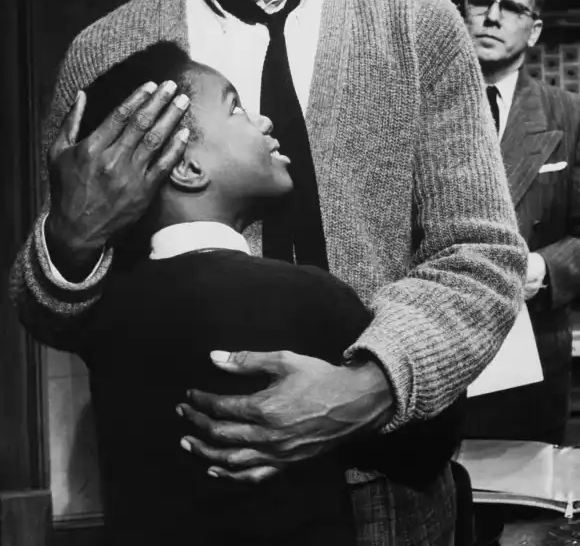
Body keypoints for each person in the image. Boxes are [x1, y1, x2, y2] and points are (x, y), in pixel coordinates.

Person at [10, 0, 526, 546]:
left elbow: (483, 259)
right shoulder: (110, 51)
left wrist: (367, 386)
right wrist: (71, 243)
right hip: (197, 491)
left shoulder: (421, 24)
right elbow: (55, 311)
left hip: (392, 489)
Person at [75, 40, 465, 545]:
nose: (263, 121)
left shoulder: (108, 310)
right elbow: (427, 442)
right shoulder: (307, 298)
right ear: (187, 169)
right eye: (234, 107)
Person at [462, 0, 580, 545]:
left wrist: (542, 267)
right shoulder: (423, 104)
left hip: (529, 365)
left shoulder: (568, 116)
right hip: (439, 358)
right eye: (479, 1)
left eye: (510, 7)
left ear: (534, 29)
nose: (491, 16)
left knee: (520, 529)